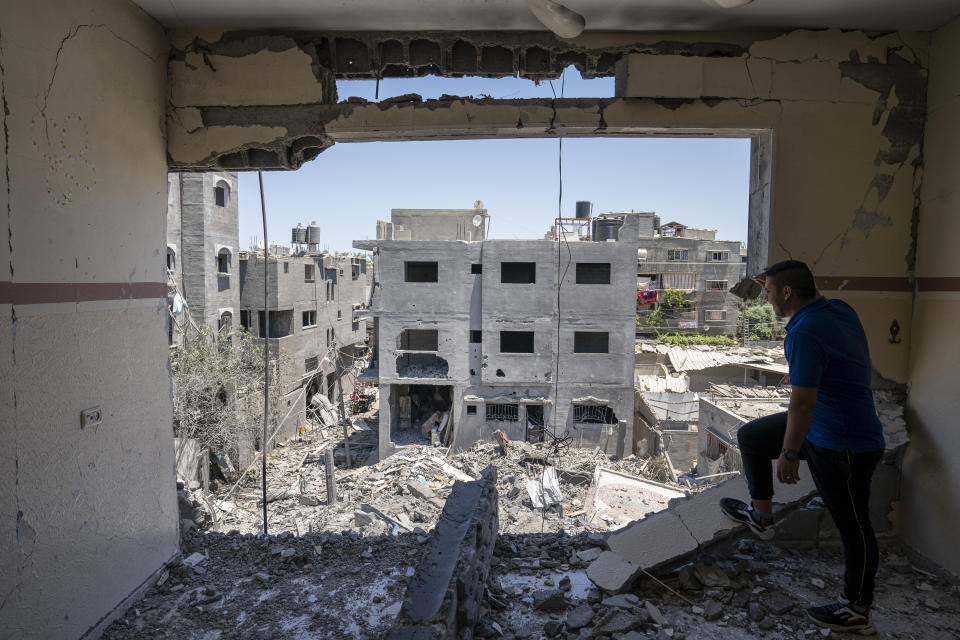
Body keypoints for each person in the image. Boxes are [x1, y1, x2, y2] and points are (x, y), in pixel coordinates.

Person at [719, 260, 885, 635]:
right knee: (753, 437)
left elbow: (802, 403)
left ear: (787, 293)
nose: (766, 297)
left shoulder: (804, 333)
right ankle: (761, 517)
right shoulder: (838, 310)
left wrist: (791, 452)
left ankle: (857, 608)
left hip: (843, 444)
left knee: (854, 527)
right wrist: (777, 277)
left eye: (769, 291)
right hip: (827, 428)